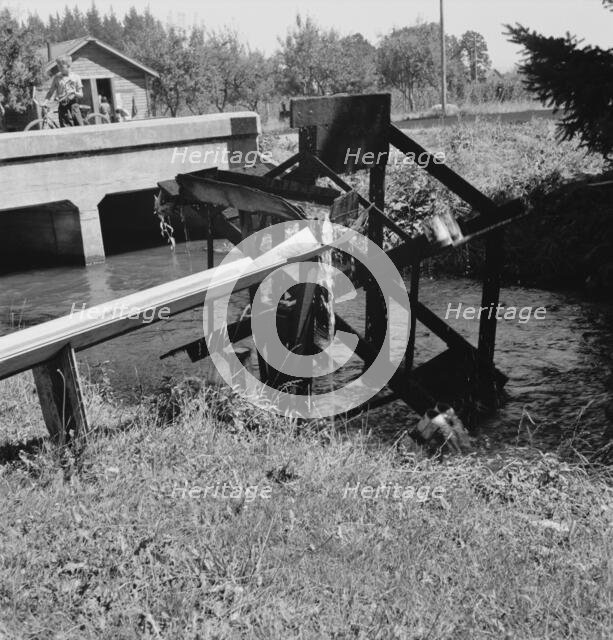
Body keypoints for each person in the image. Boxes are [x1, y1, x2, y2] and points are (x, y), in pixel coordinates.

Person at [44, 55, 83, 127]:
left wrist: (74, 92)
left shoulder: (76, 77)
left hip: (74, 106)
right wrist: (45, 102)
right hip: (63, 107)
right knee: (66, 130)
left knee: (79, 128)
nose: (59, 68)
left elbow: (81, 95)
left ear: (68, 65)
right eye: (58, 66)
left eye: (61, 66)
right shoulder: (57, 78)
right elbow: (50, 92)